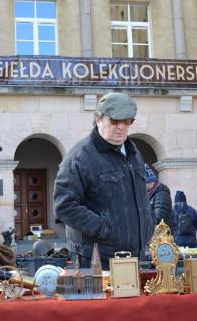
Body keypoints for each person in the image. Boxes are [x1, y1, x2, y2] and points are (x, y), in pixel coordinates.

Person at [53, 92, 154, 268]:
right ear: (99, 119)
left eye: (127, 121)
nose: (121, 127)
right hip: (97, 258)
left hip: (136, 254)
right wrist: (104, 227)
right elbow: (64, 206)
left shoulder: (133, 151)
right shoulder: (79, 157)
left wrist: (148, 224)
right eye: (114, 121)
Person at [145, 164, 174, 232]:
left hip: (161, 236)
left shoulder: (161, 194)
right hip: (155, 234)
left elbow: (159, 217)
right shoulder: (151, 193)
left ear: (150, 182)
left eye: (144, 183)